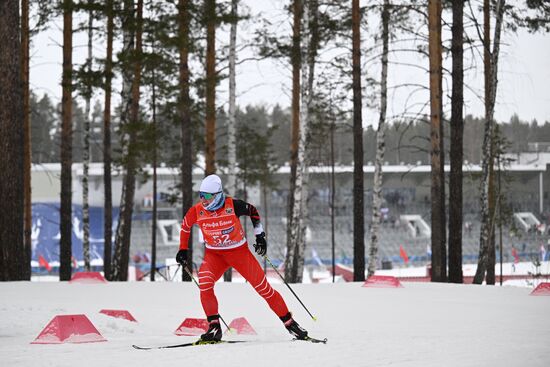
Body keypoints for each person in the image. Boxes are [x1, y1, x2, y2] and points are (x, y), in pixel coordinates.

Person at [176, 174, 308, 342]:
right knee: (204, 283)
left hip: (239, 253)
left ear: (217, 195)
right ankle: (214, 327)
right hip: (214, 255)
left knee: (263, 288)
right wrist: (182, 250)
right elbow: (185, 226)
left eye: (207, 196)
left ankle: (290, 324)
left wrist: (260, 236)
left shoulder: (233, 205)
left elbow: (253, 211)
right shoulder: (197, 210)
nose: (203, 200)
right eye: (201, 195)